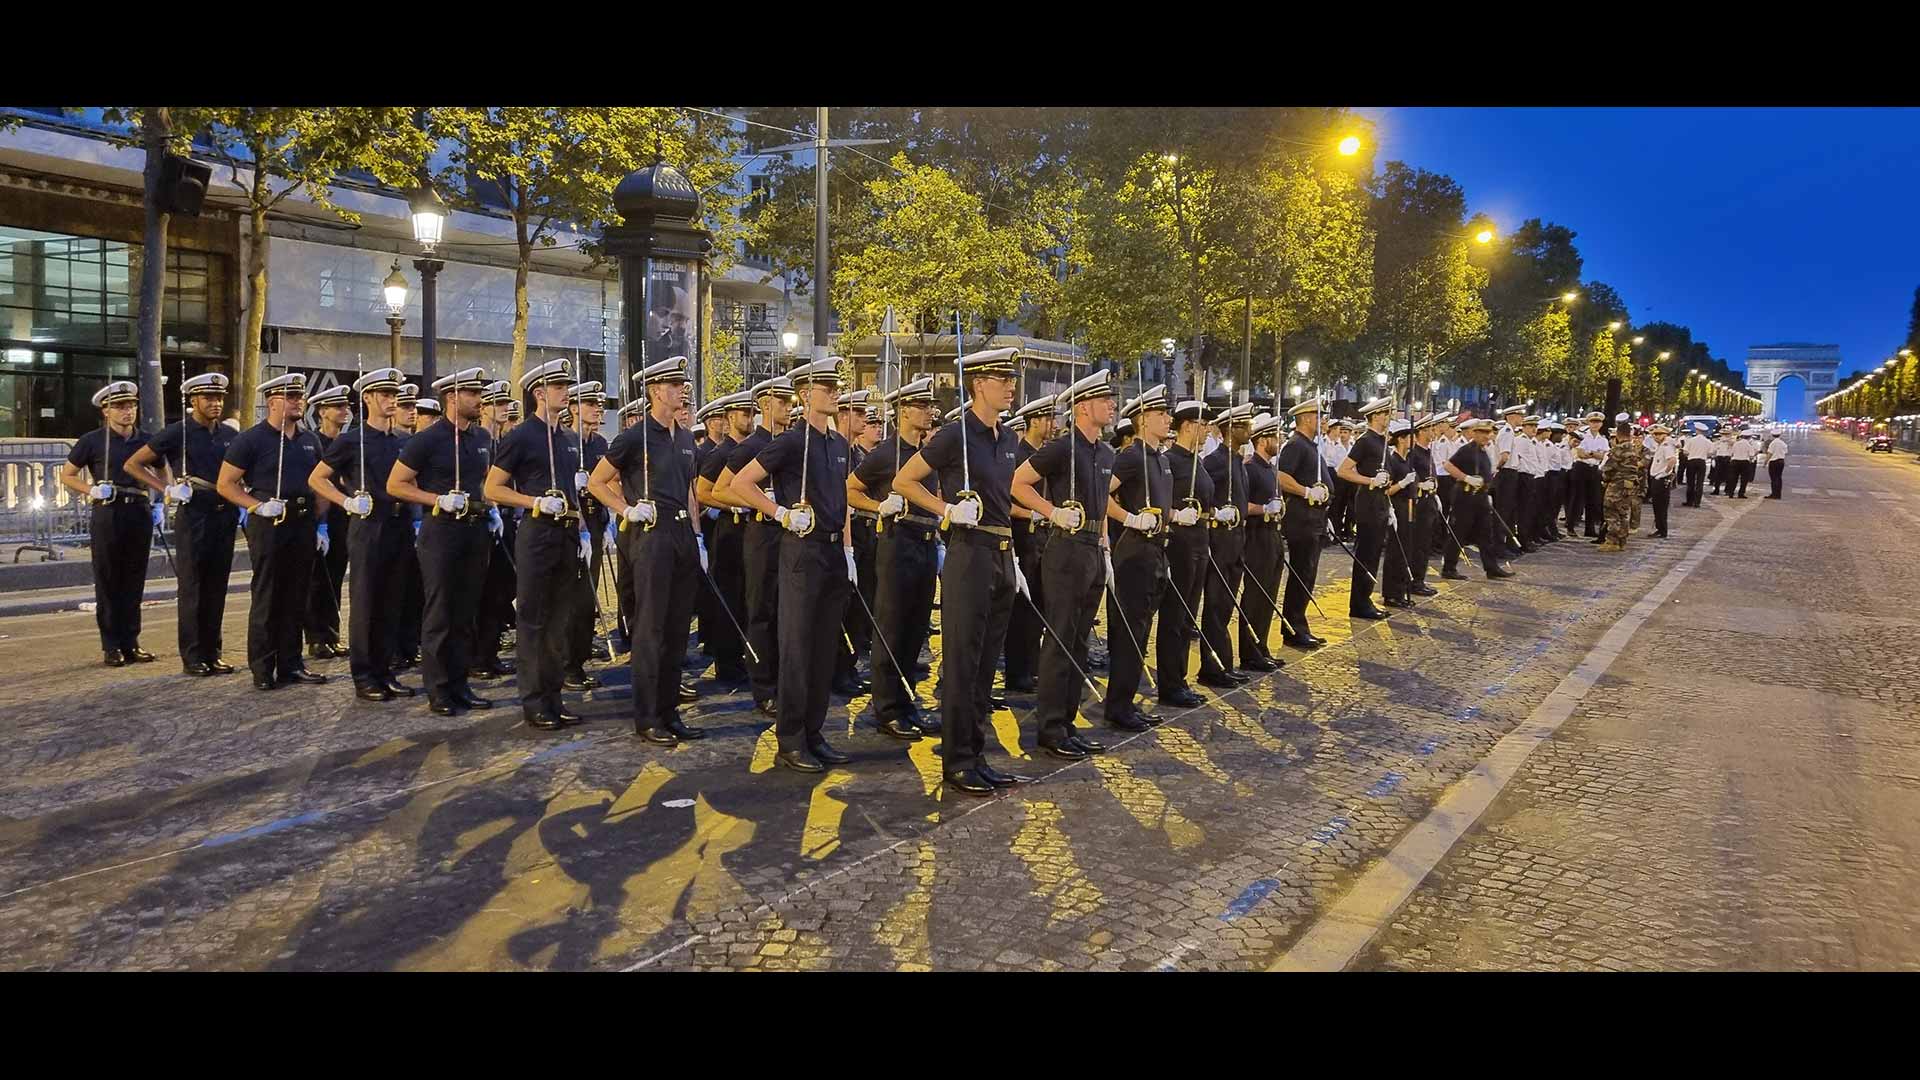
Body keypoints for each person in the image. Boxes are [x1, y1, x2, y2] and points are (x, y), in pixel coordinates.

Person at [893, 348, 1024, 796]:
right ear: (978, 384)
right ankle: (957, 760)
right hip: (968, 552)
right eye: (1001, 378)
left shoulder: (1008, 439)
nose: (1010, 384)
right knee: (964, 661)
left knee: (988, 665)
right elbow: (904, 481)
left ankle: (977, 752)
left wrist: (1015, 558)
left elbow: (1008, 499)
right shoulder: (954, 436)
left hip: (1003, 552)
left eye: (1011, 377)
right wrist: (946, 509)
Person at [730, 358, 853, 772]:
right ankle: (790, 739)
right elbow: (740, 483)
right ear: (805, 395)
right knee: (798, 648)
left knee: (823, 649)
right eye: (828, 387)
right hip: (802, 548)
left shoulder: (839, 445)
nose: (836, 392)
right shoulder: (790, 442)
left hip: (834, 552)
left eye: (837, 386)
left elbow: (844, 500)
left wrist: (849, 550)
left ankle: (813, 733)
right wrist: (780, 513)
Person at [1012, 372, 1115, 760]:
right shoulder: (1061, 448)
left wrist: (1104, 545)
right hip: (1065, 548)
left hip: (1091, 547)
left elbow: (1103, 503)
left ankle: (1068, 722)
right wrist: (1051, 512)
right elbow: (1018, 483)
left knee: (1080, 640)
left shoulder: (1106, 453)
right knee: (1059, 638)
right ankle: (1051, 727)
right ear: (1082, 406)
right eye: (1103, 400)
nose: (1111, 405)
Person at [483, 358, 589, 732]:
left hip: (565, 534)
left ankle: (554, 697)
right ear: (539, 394)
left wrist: (585, 528)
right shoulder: (521, 436)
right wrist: (534, 501)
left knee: (560, 621)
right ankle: (534, 702)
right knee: (533, 621)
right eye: (559, 388)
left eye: (566, 387)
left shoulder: (566, 438)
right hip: (537, 532)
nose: (566, 393)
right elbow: (492, 488)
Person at [386, 367, 496, 716]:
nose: (479, 400)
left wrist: (490, 509)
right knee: (441, 612)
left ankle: (460, 683)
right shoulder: (428, 439)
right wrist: (437, 499)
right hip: (442, 531)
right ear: (452, 397)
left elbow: (486, 482)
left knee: (466, 612)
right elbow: (396, 484)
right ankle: (439, 689)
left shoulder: (481, 438)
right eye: (473, 394)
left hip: (475, 531)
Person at [308, 367, 415, 702]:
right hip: (369, 525)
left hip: (397, 525)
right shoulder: (351, 440)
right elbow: (318, 478)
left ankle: (385, 670)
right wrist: (346, 502)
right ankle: (365, 674)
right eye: (385, 394)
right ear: (367, 398)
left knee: (393, 601)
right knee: (367, 601)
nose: (391, 401)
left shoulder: (401, 441)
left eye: (394, 395)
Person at [217, 373, 329, 689]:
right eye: (291, 397)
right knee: (268, 595)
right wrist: (255, 506)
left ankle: (292, 663)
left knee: (297, 596)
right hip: (270, 522)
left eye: (300, 397)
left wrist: (318, 524)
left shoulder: (309, 440)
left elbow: (320, 482)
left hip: (302, 522)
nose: (298, 402)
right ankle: (264, 668)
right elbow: (226, 484)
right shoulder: (251, 440)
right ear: (273, 402)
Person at [125, 372, 238, 675]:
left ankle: (213, 652)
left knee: (217, 586)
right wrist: (165, 489)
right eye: (208, 398)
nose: (215, 403)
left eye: (219, 397)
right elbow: (133, 463)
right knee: (194, 587)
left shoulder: (229, 434)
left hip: (224, 512)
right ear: (193, 401)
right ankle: (193, 656)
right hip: (195, 512)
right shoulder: (178, 432)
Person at [852, 376, 941, 740]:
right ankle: (886, 707)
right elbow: (850, 490)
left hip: (924, 542)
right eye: (921, 406)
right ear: (904, 411)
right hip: (896, 542)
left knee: (915, 627)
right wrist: (878, 508)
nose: (929, 412)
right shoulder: (885, 454)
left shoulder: (927, 453)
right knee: (891, 626)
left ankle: (906, 701)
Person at [714, 376, 796, 718]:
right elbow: (719, 490)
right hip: (761, 535)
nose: (789, 408)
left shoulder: (792, 443)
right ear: (764, 405)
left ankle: (786, 680)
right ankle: (764, 687)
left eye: (791, 403)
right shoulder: (749, 447)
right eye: (783, 403)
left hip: (790, 534)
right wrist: (761, 502)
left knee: (786, 612)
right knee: (761, 611)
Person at [62, 380, 156, 667]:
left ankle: (132, 642)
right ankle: (111, 645)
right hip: (108, 512)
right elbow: (67, 474)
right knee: (109, 580)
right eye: (119, 407)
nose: (127, 411)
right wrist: (90, 490)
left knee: (134, 580)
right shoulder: (92, 440)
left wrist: (164, 498)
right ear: (105, 411)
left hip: (138, 510)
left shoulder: (146, 440)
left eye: (131, 406)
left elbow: (163, 468)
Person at [1105, 384, 1175, 732]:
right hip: (1134, 551)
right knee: (1129, 632)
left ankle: (1128, 699)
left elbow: (1163, 504)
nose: (1168, 419)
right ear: (1142, 420)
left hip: (1156, 551)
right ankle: (1118, 705)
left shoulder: (1160, 458)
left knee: (1142, 629)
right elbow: (1100, 495)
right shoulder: (1131, 455)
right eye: (1161, 414)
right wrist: (1128, 518)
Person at [693, 391, 756, 685]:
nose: (750, 419)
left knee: (747, 597)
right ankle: (726, 663)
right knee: (729, 597)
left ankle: (741, 656)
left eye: (752, 413)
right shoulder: (720, 453)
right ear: (731, 418)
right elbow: (703, 492)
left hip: (750, 531)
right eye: (745, 414)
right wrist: (732, 504)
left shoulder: (753, 450)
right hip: (729, 531)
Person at [1156, 399, 1212, 706]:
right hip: (1179, 545)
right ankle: (1170, 684)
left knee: (1188, 617)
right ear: (1188, 426)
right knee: (1174, 617)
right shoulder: (1171, 461)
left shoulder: (1195, 461)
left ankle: (1180, 679)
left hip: (1199, 543)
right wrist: (1175, 514)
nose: (1207, 430)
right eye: (1203, 424)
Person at [1003, 394, 1057, 696]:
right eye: (1048, 418)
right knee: (1021, 609)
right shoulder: (1018, 453)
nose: (1053, 424)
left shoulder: (1045, 455)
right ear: (1034, 420)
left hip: (1042, 539)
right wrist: (1033, 512)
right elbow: (1003, 501)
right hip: (1021, 537)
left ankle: (1032, 665)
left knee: (1039, 604)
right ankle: (1017, 671)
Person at [1198, 403, 1255, 686]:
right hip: (1220, 539)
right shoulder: (1217, 460)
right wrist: (1215, 511)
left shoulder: (1236, 459)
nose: (1250, 430)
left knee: (1226, 605)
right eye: (1245, 425)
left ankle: (1224, 662)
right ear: (1231, 429)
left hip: (1237, 539)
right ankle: (1212, 666)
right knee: (1216, 604)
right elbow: (1200, 489)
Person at [566, 381, 612, 689]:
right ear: (573, 408)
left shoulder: (600, 445)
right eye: (590, 403)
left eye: (599, 404)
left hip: (595, 526)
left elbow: (608, 483)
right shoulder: (566, 441)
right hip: (571, 528)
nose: (597, 408)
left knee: (587, 598)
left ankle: (578, 659)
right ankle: (566, 665)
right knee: (570, 599)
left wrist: (606, 523)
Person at [302, 384, 353, 660]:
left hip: (343, 514)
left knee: (334, 576)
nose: (345, 411)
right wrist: (318, 522)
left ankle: (332, 634)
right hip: (320, 516)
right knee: (317, 579)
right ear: (322, 412)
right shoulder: (313, 442)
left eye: (346, 407)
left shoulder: (347, 443)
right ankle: (316, 638)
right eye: (338, 407)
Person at [1337, 396, 1397, 620]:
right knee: (1366, 555)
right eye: (1385, 414)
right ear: (1375, 416)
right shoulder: (1365, 440)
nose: (1388, 417)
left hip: (1380, 502)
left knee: (1373, 555)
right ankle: (1359, 604)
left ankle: (1366, 599)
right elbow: (1344, 471)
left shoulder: (1381, 441)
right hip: (1368, 503)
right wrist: (1370, 481)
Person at [833, 388, 876, 697]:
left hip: (859, 534)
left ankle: (848, 667)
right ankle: (839, 670)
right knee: (842, 607)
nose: (865, 418)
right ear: (844, 416)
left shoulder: (852, 452)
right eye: (859, 413)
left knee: (855, 606)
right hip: (842, 536)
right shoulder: (840, 449)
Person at [1238, 412, 1286, 670]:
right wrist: (1264, 508)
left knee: (1268, 594)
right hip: (1256, 537)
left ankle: (1262, 646)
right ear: (1262, 439)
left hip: (1273, 535)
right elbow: (1242, 504)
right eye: (1274, 436)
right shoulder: (1251, 469)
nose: (1278, 440)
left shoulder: (1270, 468)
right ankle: (1250, 652)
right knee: (1256, 596)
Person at [1440, 419, 1515, 579]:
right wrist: (1466, 478)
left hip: (1480, 497)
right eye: (1484, 433)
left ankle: (1491, 567)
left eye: (1489, 433)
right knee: (1458, 533)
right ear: (1475, 433)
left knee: (1486, 534)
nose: (1488, 436)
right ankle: (1448, 568)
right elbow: (1448, 466)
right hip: (1466, 497)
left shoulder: (1483, 450)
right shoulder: (1467, 449)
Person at [392, 384, 426, 669]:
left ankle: (409, 643)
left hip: (415, 522)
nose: (410, 411)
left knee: (414, 590)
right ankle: (391, 650)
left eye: (411, 406)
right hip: (385, 522)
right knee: (391, 593)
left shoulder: (416, 441)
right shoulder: (388, 441)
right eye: (405, 406)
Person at [1380, 418, 1421, 609]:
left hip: (1410, 507)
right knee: (1396, 552)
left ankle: (1402, 590)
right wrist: (1403, 483)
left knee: (1407, 550)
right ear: (1401, 439)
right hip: (1397, 506)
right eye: (1410, 437)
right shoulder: (1393, 460)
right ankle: (1391, 593)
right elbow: (1387, 490)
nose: (1414, 440)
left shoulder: (1407, 460)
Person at [1403, 416, 1442, 596]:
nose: (1433, 433)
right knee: (1418, 544)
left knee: (1425, 544)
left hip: (1429, 502)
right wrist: (1420, 486)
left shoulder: (1428, 451)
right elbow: (1409, 478)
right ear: (1421, 432)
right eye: (1429, 430)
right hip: (1418, 504)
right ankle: (1415, 580)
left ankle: (1420, 578)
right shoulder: (1414, 453)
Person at [1596, 422, 1648, 553]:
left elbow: (1608, 469)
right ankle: (1622, 541)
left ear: (1618, 435)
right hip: (1629, 486)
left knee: (1611, 513)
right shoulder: (1633, 450)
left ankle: (1612, 541)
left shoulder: (1618, 449)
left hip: (1616, 485)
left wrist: (1605, 479)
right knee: (1623, 513)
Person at [1572, 411, 1609, 537]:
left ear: (1601, 424)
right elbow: (1580, 454)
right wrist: (1595, 454)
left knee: (1593, 500)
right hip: (1581, 468)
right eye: (1593, 422)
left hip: (1594, 469)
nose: (1595, 424)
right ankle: (1570, 526)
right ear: (1588, 422)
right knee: (1577, 499)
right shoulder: (1582, 436)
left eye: (1597, 422)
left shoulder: (1603, 439)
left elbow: (1605, 455)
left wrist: (1591, 453)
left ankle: (1590, 528)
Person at [1646, 423, 1678, 538]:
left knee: (1661, 506)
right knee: (1657, 506)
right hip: (1656, 479)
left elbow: (1672, 460)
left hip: (1661, 479)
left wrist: (1665, 473)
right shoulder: (1661, 446)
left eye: (1659, 434)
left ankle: (1662, 530)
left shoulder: (1666, 446)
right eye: (1654, 434)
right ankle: (1659, 528)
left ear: (1665, 434)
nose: (1656, 436)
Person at [1681, 426, 1713, 506]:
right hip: (1702, 462)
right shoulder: (1708, 441)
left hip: (1691, 461)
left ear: (1697, 431)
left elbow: (1685, 452)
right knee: (1700, 482)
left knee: (1690, 482)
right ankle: (1697, 502)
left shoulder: (1691, 440)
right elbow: (1710, 453)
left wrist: (1692, 453)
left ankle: (1689, 501)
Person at [1728, 427, 1758, 498]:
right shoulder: (1748, 445)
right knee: (1744, 479)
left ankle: (1731, 493)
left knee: (1733, 478)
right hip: (1745, 462)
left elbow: (1731, 453)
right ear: (1749, 437)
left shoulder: (1736, 443)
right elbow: (1751, 455)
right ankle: (1741, 493)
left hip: (1735, 462)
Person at [1710, 429, 1735, 496]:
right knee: (1717, 475)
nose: (1725, 436)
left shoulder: (1732, 442)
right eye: (1723, 434)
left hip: (1728, 458)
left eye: (1726, 434)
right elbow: (1713, 451)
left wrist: (1728, 440)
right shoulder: (1717, 442)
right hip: (1719, 459)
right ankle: (1716, 490)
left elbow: (1734, 449)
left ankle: (1727, 490)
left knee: (1729, 476)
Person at [1765, 429, 1789, 498]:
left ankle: (1774, 494)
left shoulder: (1773, 443)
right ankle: (1778, 494)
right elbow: (1785, 452)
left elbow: (1770, 453)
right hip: (1781, 461)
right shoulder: (1783, 443)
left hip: (1774, 462)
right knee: (1779, 478)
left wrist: (1765, 462)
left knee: (1773, 479)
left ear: (1772, 435)